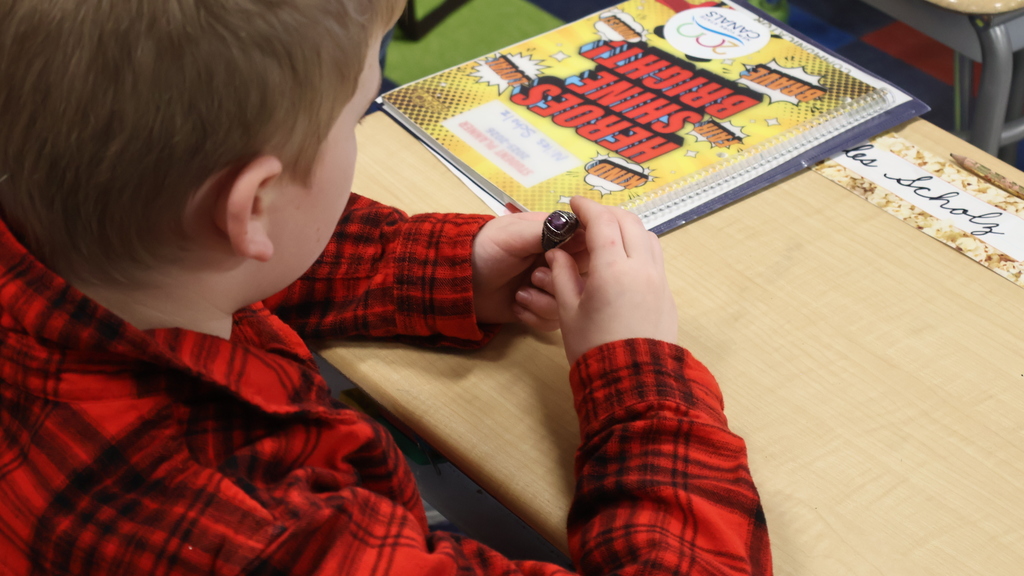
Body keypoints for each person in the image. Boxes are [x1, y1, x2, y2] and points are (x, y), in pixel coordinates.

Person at [0, 0, 771, 574]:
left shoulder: (71, 232)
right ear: (254, 207)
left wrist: (441, 267)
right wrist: (638, 376)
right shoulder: (255, 532)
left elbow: (183, 246)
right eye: (356, 117)